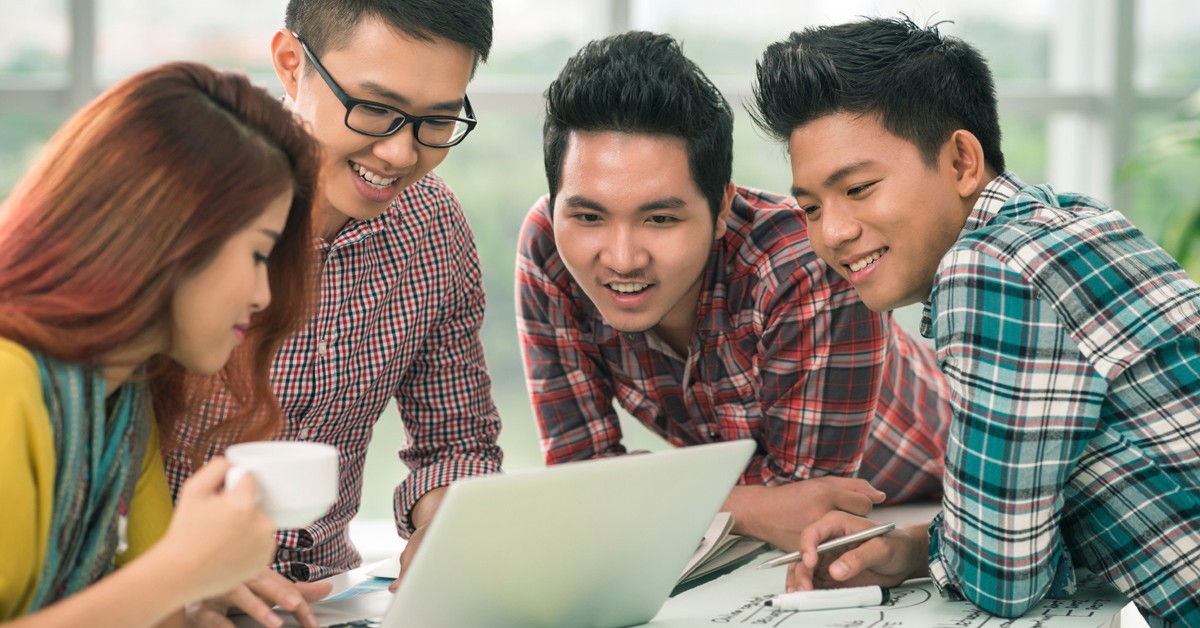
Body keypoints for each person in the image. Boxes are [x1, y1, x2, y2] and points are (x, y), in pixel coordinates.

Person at [751, 16, 1200, 626]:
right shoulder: (1073, 220)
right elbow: (1123, 512)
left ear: (963, 160)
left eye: (858, 188)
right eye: (809, 207)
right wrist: (915, 548)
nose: (831, 232)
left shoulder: (985, 268)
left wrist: (944, 550)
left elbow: (1003, 582)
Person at [516, 30, 953, 556]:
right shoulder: (547, 249)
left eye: (659, 218)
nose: (622, 257)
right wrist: (751, 509)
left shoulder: (804, 267)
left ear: (722, 207)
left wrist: (636, 492)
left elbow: (810, 509)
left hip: (944, 486)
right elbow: (577, 477)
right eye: (588, 216)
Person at [161, 0, 503, 613]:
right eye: (374, 109)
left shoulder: (433, 225)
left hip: (326, 600)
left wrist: (448, 530)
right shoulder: (183, 208)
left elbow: (457, 443)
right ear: (292, 65)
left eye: (437, 121)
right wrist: (169, 583)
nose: (401, 155)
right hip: (161, 599)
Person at [0, 61, 321, 626]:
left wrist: (195, 597)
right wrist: (183, 573)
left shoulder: (123, 401)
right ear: (171, 234)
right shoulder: (9, 381)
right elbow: (158, 580)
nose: (262, 295)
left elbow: (148, 605)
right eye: (257, 254)